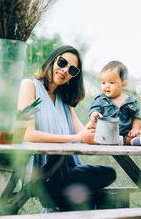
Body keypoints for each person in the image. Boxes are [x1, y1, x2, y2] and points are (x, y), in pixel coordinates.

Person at [17, 45, 116, 211]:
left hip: (68, 169)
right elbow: (28, 134)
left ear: (73, 77)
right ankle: (60, 195)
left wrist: (93, 125)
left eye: (72, 70)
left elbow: (82, 133)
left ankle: (60, 196)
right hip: (42, 170)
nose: (64, 70)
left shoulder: (64, 100)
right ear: (52, 60)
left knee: (109, 173)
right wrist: (78, 138)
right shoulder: (29, 85)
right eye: (62, 62)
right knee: (85, 195)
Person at [87, 61, 141, 146]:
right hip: (106, 133)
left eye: (111, 82)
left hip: (125, 134)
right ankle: (117, 140)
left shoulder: (130, 101)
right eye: (103, 83)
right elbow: (94, 110)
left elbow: (136, 117)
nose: (107, 86)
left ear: (123, 84)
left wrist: (134, 129)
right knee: (90, 134)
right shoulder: (101, 100)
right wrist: (94, 114)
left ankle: (129, 141)